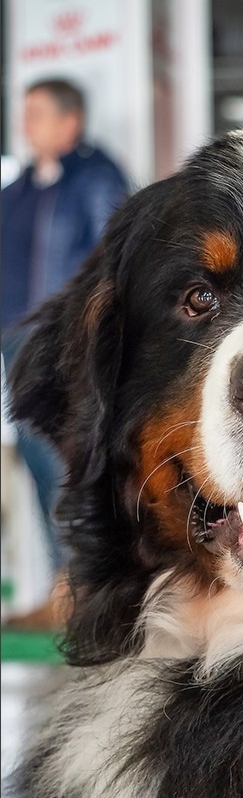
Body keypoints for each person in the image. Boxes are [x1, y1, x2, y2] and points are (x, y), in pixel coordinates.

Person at [1, 77, 129, 629]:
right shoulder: (18, 190)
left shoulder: (99, 179)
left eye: (37, 113)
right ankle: (58, 588)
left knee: (71, 462)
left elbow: (107, 265)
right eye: (23, 113)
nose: (26, 124)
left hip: (67, 343)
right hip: (16, 343)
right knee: (34, 461)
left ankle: (86, 590)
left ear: (70, 121)